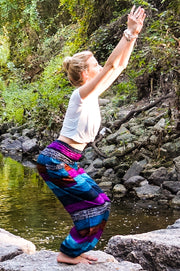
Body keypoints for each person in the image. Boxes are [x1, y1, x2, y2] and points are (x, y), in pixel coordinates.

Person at [36, 5, 146, 265]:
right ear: (85, 74)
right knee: (97, 203)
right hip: (56, 161)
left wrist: (135, 35)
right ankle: (67, 252)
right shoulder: (81, 95)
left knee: (99, 204)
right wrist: (127, 33)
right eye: (94, 64)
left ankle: (76, 249)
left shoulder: (91, 95)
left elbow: (117, 66)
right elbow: (110, 64)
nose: (100, 66)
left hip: (64, 161)